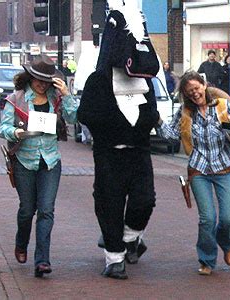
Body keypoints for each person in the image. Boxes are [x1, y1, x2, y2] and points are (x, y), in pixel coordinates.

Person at [78, 4, 159, 280]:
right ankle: (114, 259)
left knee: (145, 201)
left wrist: (143, 125)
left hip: (139, 153)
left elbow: (152, 114)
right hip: (109, 155)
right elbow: (85, 114)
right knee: (109, 205)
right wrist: (114, 128)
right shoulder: (98, 81)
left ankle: (128, 238)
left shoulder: (145, 83)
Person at [0, 55, 78, 278]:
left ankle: (42, 260)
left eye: (46, 80)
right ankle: (21, 242)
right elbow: (3, 127)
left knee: (46, 210)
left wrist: (67, 95)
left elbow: (73, 118)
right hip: (25, 160)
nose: (41, 84)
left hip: (50, 161)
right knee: (27, 210)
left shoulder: (57, 99)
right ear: (30, 77)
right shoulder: (17, 99)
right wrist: (16, 132)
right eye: (37, 79)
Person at [156, 70, 230, 276]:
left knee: (229, 218)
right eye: (189, 92)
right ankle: (207, 259)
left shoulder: (222, 105)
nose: (194, 94)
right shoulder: (185, 112)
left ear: (203, 84)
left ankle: (225, 243)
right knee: (207, 219)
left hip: (225, 167)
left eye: (196, 88)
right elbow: (171, 135)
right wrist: (156, 120)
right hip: (199, 169)